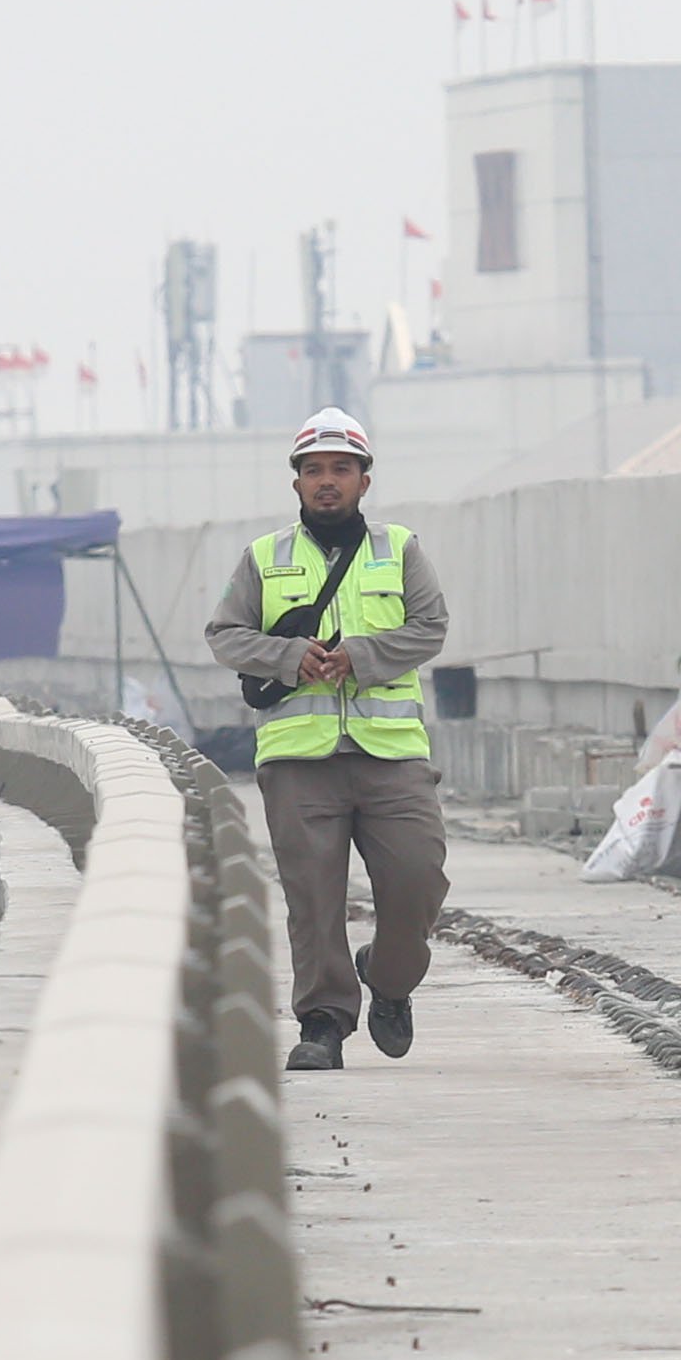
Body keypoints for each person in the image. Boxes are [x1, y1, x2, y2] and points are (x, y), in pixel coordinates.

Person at [206, 407, 448, 1074]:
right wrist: (289, 659)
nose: (327, 482)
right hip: (298, 759)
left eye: (340, 469)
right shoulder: (263, 557)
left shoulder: (399, 549)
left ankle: (390, 979)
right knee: (312, 897)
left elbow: (430, 627)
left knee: (417, 878)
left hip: (390, 755)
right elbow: (225, 634)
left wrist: (361, 656)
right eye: (314, 471)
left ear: (364, 481)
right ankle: (323, 1022)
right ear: (296, 484)